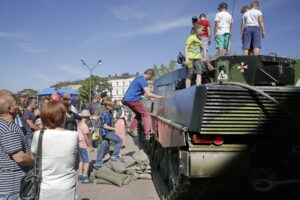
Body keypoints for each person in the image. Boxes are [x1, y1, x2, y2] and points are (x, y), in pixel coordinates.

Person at [31, 101, 78, 200]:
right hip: (67, 185)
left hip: (45, 186)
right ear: (63, 116)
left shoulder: (38, 135)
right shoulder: (74, 135)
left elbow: (34, 160)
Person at [0, 94, 34, 200]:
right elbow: (20, 158)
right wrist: (34, 161)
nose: (19, 107)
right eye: (16, 104)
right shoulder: (8, 129)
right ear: (9, 109)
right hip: (12, 189)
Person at [122, 69, 164, 140]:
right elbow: (148, 94)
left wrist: (152, 98)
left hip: (127, 100)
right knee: (146, 114)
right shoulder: (142, 80)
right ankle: (147, 133)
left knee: (139, 114)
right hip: (133, 99)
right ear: (149, 74)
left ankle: (131, 129)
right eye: (151, 78)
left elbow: (146, 94)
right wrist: (161, 97)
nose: (150, 79)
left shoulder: (138, 79)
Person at [94, 101, 123, 168]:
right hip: (106, 132)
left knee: (103, 147)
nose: (112, 108)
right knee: (119, 141)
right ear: (107, 106)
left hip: (104, 132)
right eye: (111, 107)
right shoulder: (106, 114)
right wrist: (115, 129)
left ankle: (98, 163)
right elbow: (105, 126)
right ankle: (114, 156)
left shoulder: (108, 113)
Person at [185, 23, 205, 87]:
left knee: (199, 72)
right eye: (202, 30)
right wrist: (187, 58)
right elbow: (186, 48)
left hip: (197, 59)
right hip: (190, 59)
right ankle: (187, 88)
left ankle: (198, 86)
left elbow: (199, 51)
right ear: (197, 29)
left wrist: (202, 58)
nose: (203, 32)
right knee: (190, 73)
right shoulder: (191, 37)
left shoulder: (200, 40)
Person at [77, 110, 94, 184]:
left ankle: (80, 175)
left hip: (79, 144)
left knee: (81, 160)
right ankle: (85, 177)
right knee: (87, 161)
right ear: (87, 117)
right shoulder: (85, 126)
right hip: (84, 145)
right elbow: (86, 137)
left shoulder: (80, 124)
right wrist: (90, 146)